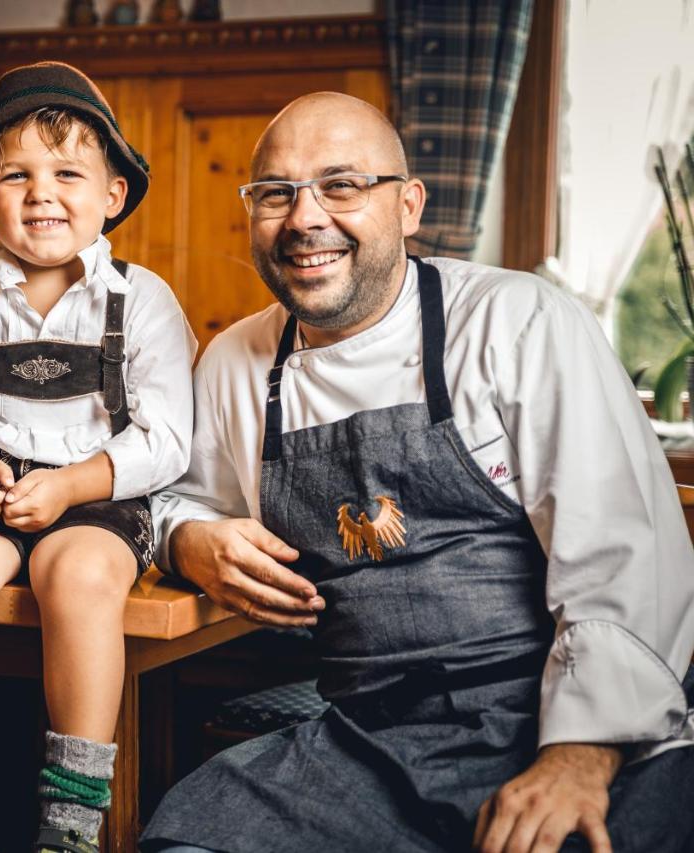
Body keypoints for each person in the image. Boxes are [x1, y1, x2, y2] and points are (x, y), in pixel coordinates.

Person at [140, 92, 694, 853]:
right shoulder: (235, 361)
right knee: (189, 836)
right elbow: (173, 498)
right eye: (276, 193)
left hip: (559, 714)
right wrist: (187, 539)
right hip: (367, 740)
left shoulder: (520, 322)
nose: (305, 219)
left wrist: (581, 753)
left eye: (341, 185)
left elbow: (626, 557)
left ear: (407, 206)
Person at [0, 61, 196, 852]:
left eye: (68, 173)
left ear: (112, 195)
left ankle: (72, 817)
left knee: (79, 576)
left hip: (97, 494)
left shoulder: (142, 299)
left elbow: (165, 437)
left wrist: (69, 486)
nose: (41, 193)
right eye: (15, 175)